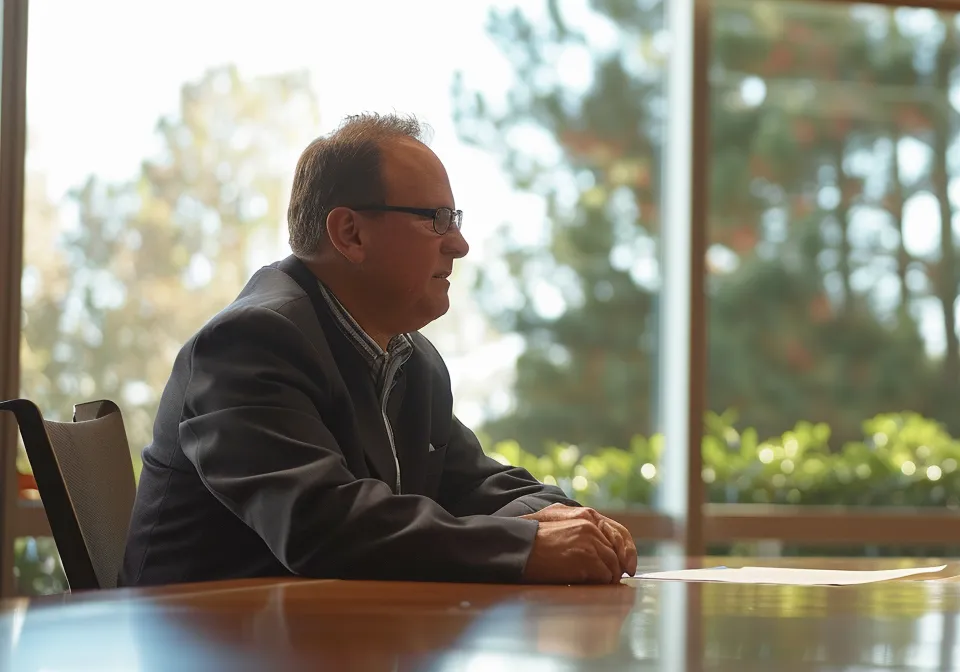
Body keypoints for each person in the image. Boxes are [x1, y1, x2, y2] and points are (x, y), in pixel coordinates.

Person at [121, 113, 635, 587]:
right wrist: (524, 545)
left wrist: (564, 518)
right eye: (436, 218)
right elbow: (321, 525)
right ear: (350, 233)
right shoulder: (251, 343)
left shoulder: (411, 360)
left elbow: (482, 487)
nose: (459, 244)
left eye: (455, 218)